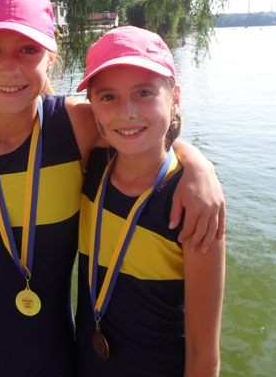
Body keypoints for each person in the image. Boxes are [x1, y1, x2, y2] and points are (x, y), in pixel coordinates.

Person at [0, 0, 225, 376]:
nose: (10, 66)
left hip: (56, 361)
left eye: (29, 49)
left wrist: (198, 165)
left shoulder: (73, 126)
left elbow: (140, 132)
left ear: (51, 57)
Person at [74, 26, 225, 376]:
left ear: (174, 98)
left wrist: (199, 166)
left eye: (144, 93)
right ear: (92, 107)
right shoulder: (89, 166)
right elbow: (18, 117)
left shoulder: (193, 205)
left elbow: (204, 353)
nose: (127, 112)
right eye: (108, 97)